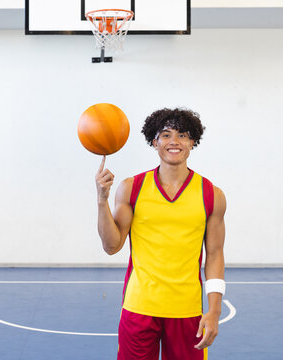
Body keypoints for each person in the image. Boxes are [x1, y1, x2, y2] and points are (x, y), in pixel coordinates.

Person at [95, 108, 226, 360]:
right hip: (139, 306)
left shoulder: (212, 194)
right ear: (154, 142)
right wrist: (102, 200)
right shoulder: (131, 188)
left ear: (193, 142)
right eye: (165, 135)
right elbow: (111, 246)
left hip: (187, 310)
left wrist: (215, 310)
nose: (174, 141)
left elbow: (215, 255)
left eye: (183, 135)